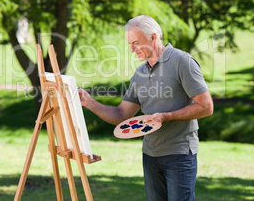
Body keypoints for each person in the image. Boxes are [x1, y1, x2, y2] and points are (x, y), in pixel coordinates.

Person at [78, 15, 213, 201]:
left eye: (136, 43)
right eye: (129, 44)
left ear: (154, 37)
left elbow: (206, 106)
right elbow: (122, 115)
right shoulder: (140, 73)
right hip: (150, 155)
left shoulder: (182, 61)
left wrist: (168, 116)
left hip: (179, 154)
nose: (132, 50)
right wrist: (89, 102)